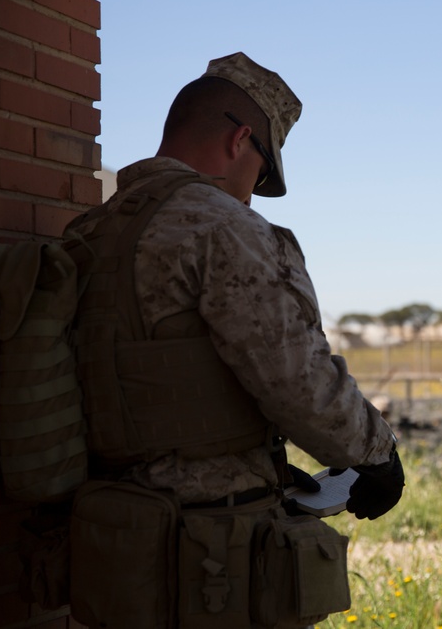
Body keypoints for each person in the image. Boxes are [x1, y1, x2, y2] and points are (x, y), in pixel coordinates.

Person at [64, 52, 402, 627]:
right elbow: (296, 377)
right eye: (263, 172)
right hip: (211, 557)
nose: (255, 190)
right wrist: (375, 455)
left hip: (113, 546)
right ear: (241, 139)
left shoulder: (89, 231)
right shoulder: (220, 225)